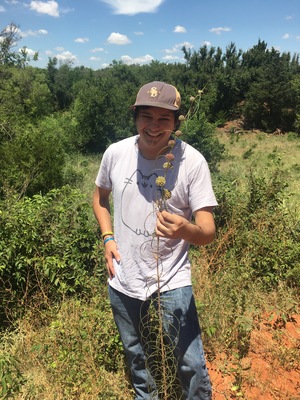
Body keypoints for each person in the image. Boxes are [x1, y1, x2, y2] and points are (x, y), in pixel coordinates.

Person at [93, 81, 218, 400]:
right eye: (146, 116)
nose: (153, 126)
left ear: (176, 123)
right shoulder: (116, 153)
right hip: (124, 275)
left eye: (164, 119)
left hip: (173, 277)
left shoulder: (192, 162)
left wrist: (185, 230)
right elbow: (99, 198)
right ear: (135, 117)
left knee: (190, 362)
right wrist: (107, 237)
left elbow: (208, 230)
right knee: (137, 355)